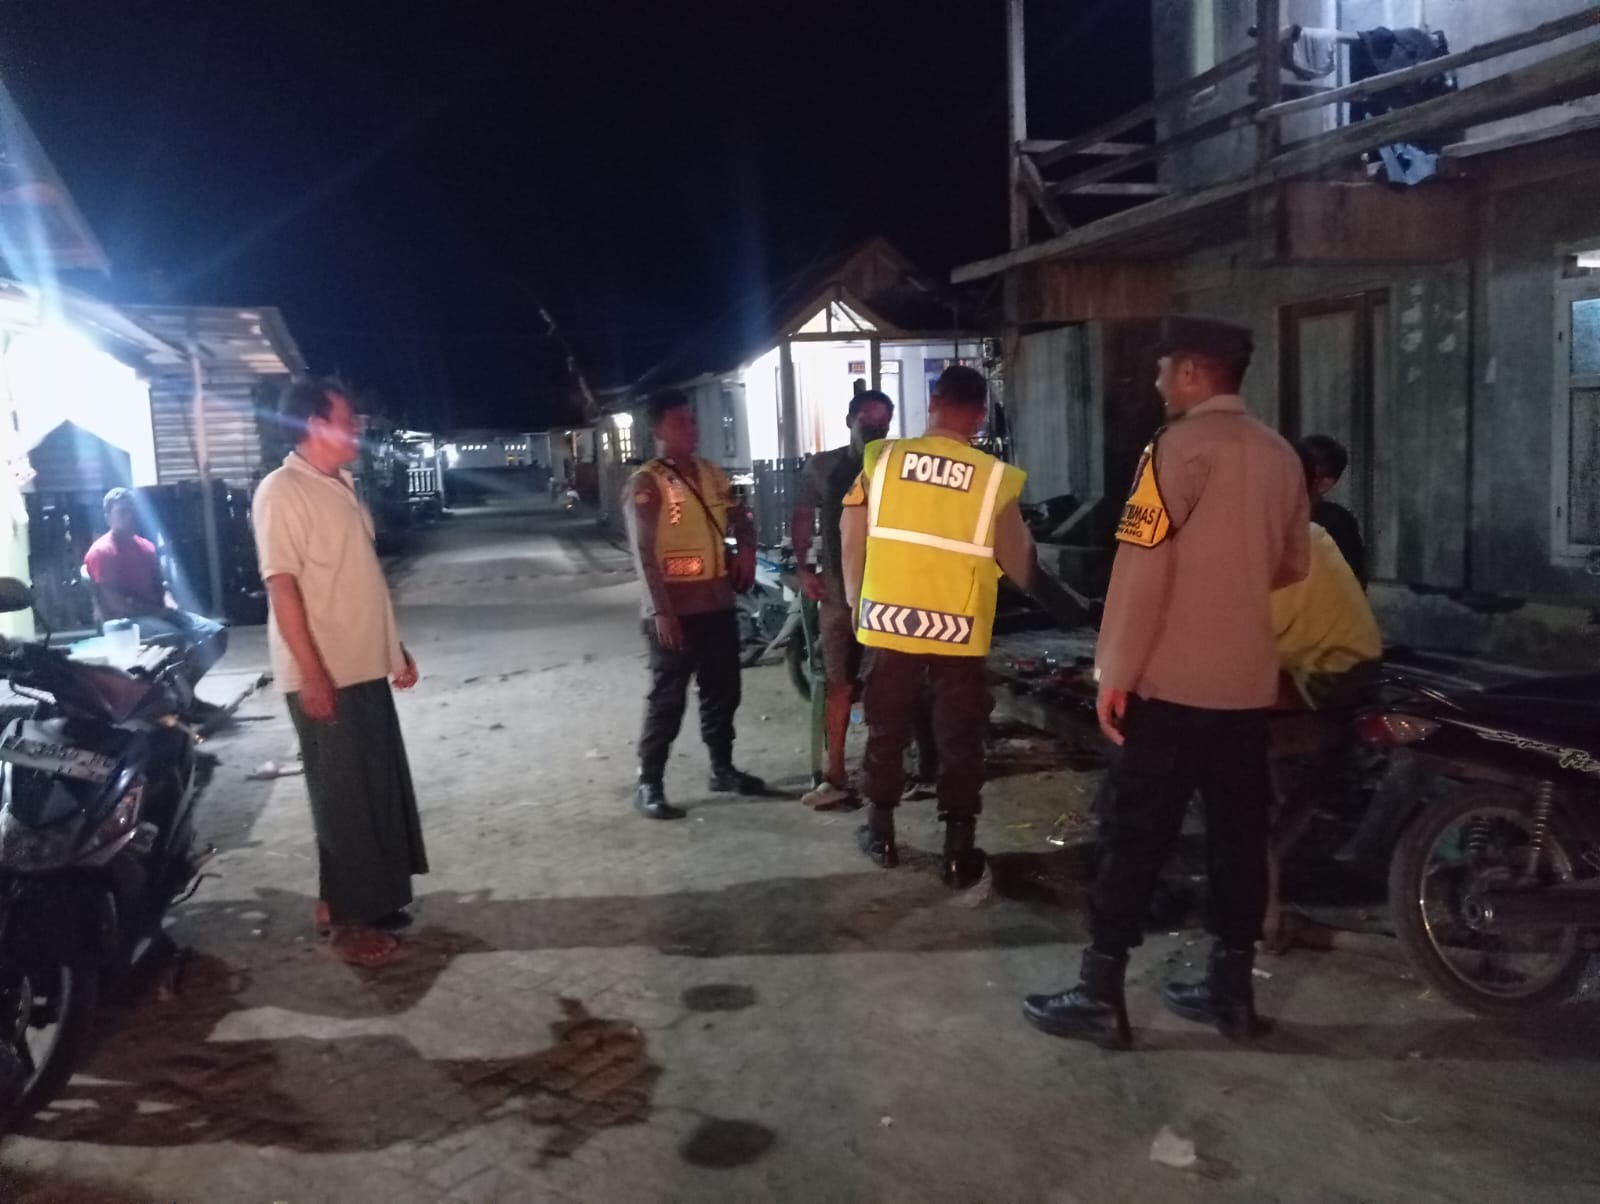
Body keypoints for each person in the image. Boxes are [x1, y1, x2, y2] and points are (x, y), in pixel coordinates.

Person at [1022, 317, 1309, 1048]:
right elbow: (1292, 565)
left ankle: (1101, 992)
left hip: (1171, 684)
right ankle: (1230, 992)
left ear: (1190, 372)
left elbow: (1140, 571)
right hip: (1246, 684)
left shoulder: (1176, 450)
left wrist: (1114, 672)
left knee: (1134, 835)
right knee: (1238, 837)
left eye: (1161, 369)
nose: (1155, 383)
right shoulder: (1280, 454)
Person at [841, 365, 1085, 888]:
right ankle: (957, 852)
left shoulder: (884, 460)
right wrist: (1068, 603)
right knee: (960, 738)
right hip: (958, 631)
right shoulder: (992, 477)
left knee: (886, 729)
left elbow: (851, 533)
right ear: (978, 415)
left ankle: (881, 835)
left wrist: (857, 603)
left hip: (888, 624)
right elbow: (1021, 566)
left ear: (933, 402)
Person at [252, 378, 427, 968]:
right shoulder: (282, 491)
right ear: (314, 424)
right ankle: (353, 924)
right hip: (326, 671)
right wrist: (312, 674)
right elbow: (282, 587)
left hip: (361, 665)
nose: (357, 429)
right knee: (344, 800)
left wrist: (392, 648)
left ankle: (343, 901)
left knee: (368, 791)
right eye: (348, 419)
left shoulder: (340, 484)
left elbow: (357, 580)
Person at [626, 389, 763, 820]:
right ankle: (649, 783)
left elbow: (741, 514)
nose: (691, 428)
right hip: (674, 612)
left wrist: (746, 551)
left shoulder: (711, 473)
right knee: (668, 698)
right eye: (680, 421)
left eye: (692, 420)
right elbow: (643, 553)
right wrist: (660, 611)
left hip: (716, 603)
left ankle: (722, 768)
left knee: (723, 690)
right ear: (658, 429)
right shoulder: (647, 483)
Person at [791, 391, 895, 810]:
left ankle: (882, 773)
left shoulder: (898, 465)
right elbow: (802, 516)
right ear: (849, 420)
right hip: (837, 592)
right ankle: (835, 773)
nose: (875, 428)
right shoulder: (824, 467)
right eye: (867, 420)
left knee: (887, 685)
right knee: (840, 683)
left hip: (888, 590)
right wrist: (803, 567)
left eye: (882, 422)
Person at [84, 488, 225, 648]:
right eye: (122, 512)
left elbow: (161, 586)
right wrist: (158, 612)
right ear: (108, 518)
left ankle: (188, 665)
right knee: (175, 638)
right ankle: (179, 662)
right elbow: (117, 604)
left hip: (158, 612)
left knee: (216, 634)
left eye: (133, 511)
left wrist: (171, 604)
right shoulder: (101, 552)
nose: (130, 516)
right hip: (125, 621)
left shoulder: (147, 547)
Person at [1297, 434, 1366, 588]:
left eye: (1303, 471)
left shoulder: (1338, 525)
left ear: (1324, 484)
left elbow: (1351, 584)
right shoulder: (1270, 512)